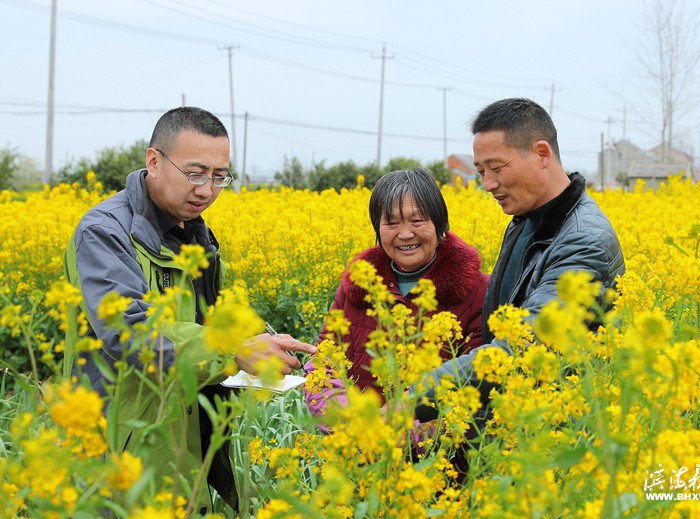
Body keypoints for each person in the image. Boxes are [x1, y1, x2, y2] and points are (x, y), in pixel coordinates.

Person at [63, 106, 316, 513]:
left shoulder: (197, 233)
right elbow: (130, 331)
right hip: (122, 439)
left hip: (184, 432)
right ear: (154, 162)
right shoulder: (104, 232)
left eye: (220, 177)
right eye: (196, 173)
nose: (207, 189)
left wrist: (263, 339)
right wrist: (232, 350)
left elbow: (207, 315)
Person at [414, 97, 625, 423]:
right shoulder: (529, 219)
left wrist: (411, 401)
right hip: (513, 422)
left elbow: (523, 346)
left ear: (542, 154)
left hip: (551, 436)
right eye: (481, 171)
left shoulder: (585, 241)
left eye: (496, 168)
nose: (488, 184)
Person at [304, 168, 489, 416]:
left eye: (417, 220)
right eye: (391, 222)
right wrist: (350, 424)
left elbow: (475, 386)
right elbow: (323, 364)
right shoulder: (357, 285)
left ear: (440, 224)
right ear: (377, 229)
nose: (405, 234)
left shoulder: (478, 292)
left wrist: (403, 432)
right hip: (357, 446)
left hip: (435, 451)